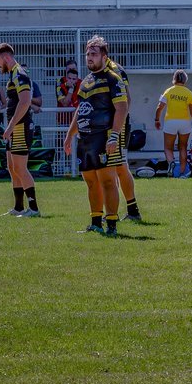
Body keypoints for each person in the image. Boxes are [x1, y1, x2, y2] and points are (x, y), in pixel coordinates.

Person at [64, 36, 128, 235]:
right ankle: (95, 222)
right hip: (86, 139)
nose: (89, 58)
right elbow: (80, 110)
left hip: (104, 136)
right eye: (87, 54)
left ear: (104, 56)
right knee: (90, 181)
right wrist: (69, 136)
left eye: (94, 54)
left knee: (108, 181)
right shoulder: (86, 82)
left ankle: (111, 225)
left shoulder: (112, 79)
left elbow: (122, 108)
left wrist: (114, 136)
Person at [0, 44, 40, 218]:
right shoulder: (12, 74)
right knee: (12, 167)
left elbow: (25, 102)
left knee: (20, 167)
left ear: (6, 58)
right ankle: (19, 207)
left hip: (20, 127)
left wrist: (11, 126)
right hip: (14, 127)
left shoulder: (19, 74)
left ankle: (33, 209)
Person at [102, 44, 143, 223]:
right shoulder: (103, 70)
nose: (89, 56)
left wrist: (118, 126)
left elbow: (126, 98)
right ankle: (132, 210)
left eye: (93, 52)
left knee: (112, 167)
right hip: (110, 124)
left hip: (116, 124)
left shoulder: (114, 69)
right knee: (119, 167)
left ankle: (113, 213)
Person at [155, 70, 192, 177]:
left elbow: (160, 107)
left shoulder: (168, 91)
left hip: (170, 122)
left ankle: (171, 163)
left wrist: (157, 119)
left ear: (174, 78)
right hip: (185, 123)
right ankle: (182, 173)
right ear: (185, 80)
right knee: (183, 147)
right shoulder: (189, 93)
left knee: (168, 148)